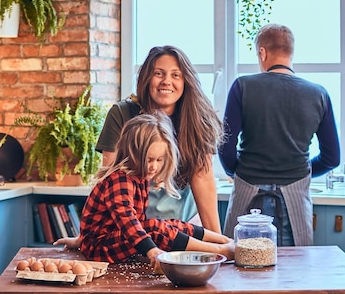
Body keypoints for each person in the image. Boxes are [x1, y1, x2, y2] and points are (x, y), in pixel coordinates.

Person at [54, 45, 224, 249]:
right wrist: (89, 236)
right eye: (158, 73)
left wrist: (218, 241)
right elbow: (111, 182)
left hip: (178, 230)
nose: (166, 81)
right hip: (129, 229)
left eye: (176, 75)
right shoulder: (122, 114)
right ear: (146, 78)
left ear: (186, 80)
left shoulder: (198, 120)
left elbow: (203, 179)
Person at [219, 23, 340, 246]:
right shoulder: (318, 94)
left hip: (248, 193)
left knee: (239, 269)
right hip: (294, 198)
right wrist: (301, 171)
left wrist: (238, 171)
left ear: (262, 52)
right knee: (294, 271)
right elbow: (332, 158)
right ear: (291, 52)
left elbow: (225, 145)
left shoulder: (242, 87)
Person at [79, 112, 234, 269]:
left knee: (169, 224)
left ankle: (222, 240)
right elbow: (127, 221)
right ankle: (219, 251)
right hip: (98, 247)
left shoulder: (141, 178)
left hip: (115, 239)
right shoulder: (120, 180)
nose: (154, 166)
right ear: (132, 153)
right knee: (154, 228)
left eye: (160, 160)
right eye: (149, 159)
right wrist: (151, 250)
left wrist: (222, 237)